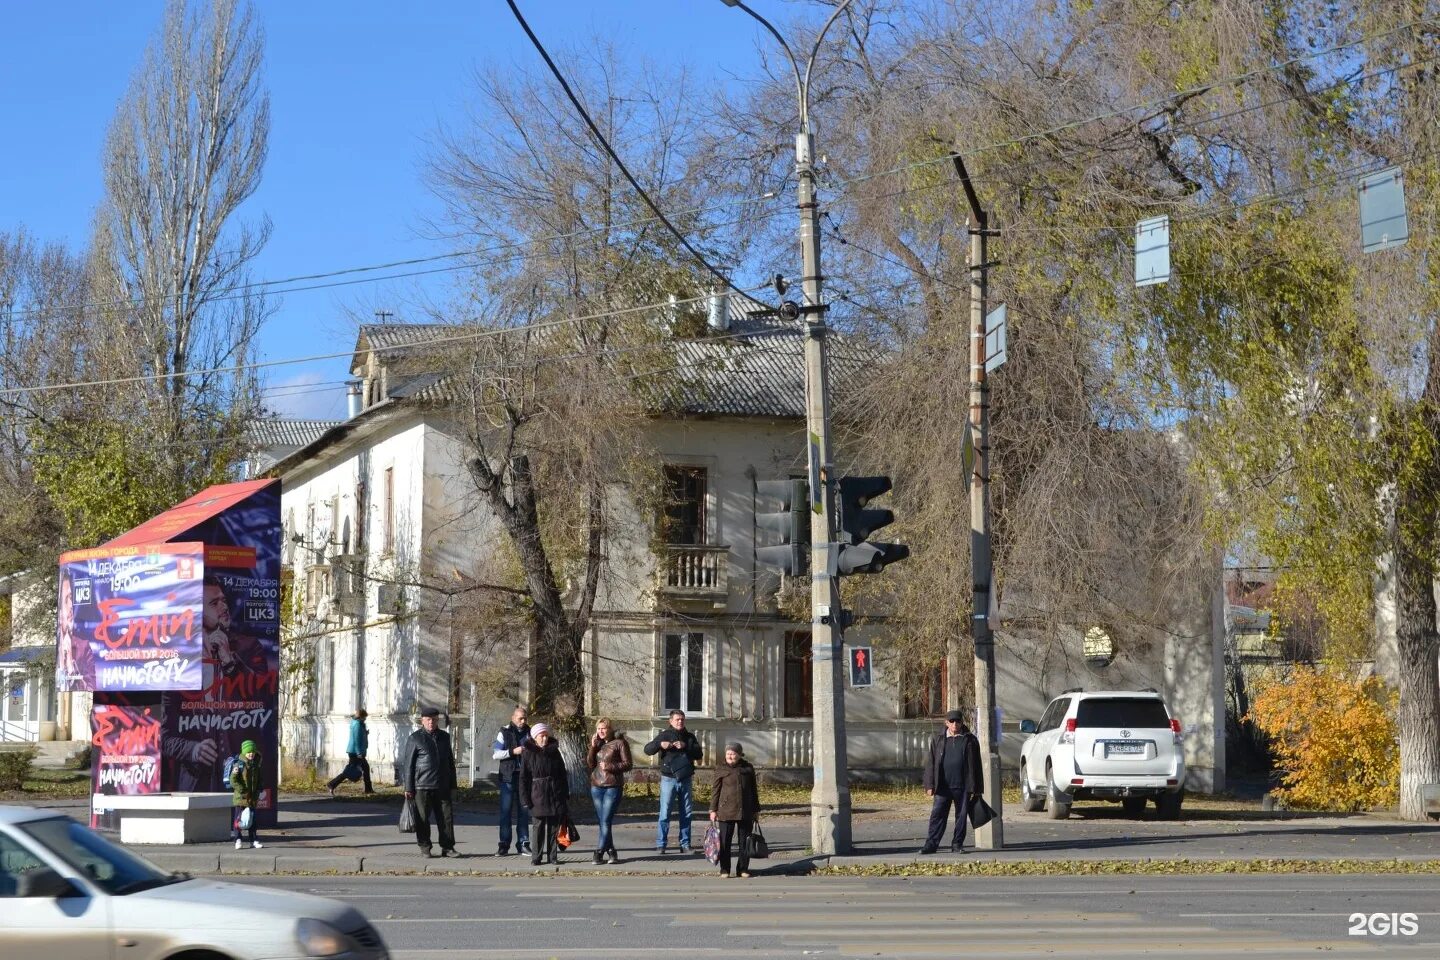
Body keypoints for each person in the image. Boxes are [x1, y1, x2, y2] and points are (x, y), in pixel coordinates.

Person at [920, 709, 984, 854]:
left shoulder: (970, 740)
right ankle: (931, 844)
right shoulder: (939, 739)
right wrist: (929, 784)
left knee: (961, 817)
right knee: (937, 815)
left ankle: (957, 844)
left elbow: (977, 765)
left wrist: (978, 788)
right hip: (943, 786)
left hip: (963, 786)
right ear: (946, 723)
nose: (955, 724)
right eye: (952, 721)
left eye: (958, 721)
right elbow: (931, 763)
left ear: (962, 722)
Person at [401, 707, 459, 859]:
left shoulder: (445, 737)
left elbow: (450, 763)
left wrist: (453, 785)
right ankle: (425, 847)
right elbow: (408, 765)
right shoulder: (415, 738)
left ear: (437, 720)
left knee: (446, 818)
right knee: (422, 818)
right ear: (422, 721)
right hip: (422, 785)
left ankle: (447, 847)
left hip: (442, 785)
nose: (431, 722)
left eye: (433, 719)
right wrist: (408, 787)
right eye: (428, 720)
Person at [644, 709, 703, 854]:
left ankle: (685, 844)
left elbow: (699, 754)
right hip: (668, 779)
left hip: (685, 778)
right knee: (665, 813)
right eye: (677, 719)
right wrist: (660, 745)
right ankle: (661, 844)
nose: (680, 722)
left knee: (687, 813)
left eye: (682, 719)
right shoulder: (664, 735)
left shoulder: (689, 737)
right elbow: (647, 750)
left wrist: (686, 746)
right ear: (670, 721)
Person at [709, 741, 761, 878]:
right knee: (725, 842)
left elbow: (753, 791)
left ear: (739, 754)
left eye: (732, 753)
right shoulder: (721, 768)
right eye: (728, 753)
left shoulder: (748, 768)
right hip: (725, 811)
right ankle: (724, 869)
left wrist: (756, 810)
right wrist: (712, 810)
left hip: (746, 811)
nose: (730, 756)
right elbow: (715, 790)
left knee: (745, 842)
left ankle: (743, 869)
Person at [520, 722, 569, 866]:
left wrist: (565, 793)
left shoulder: (555, 752)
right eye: (542, 736)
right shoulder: (528, 753)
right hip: (537, 793)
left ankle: (552, 857)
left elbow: (562, 774)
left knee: (554, 826)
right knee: (538, 826)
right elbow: (523, 778)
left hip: (554, 792)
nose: (545, 739)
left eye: (546, 735)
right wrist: (525, 799)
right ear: (535, 737)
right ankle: (536, 857)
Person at [585, 717, 632, 864]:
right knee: (602, 821)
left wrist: (610, 767)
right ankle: (611, 851)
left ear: (610, 729)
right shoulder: (597, 744)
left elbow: (628, 764)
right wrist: (592, 747)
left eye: (603, 728)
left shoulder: (620, 743)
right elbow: (591, 764)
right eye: (598, 729)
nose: (601, 731)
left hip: (612, 786)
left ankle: (598, 852)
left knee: (605, 820)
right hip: (596, 786)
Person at [491, 705, 532, 856]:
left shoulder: (530, 732)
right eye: (520, 718)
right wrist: (512, 752)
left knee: (524, 811)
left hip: (525, 777)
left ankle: (523, 843)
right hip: (508, 777)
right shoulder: (505, 732)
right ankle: (504, 844)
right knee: (505, 812)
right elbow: (496, 754)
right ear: (513, 718)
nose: (522, 721)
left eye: (525, 718)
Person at [327, 708, 373, 796]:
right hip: (355, 752)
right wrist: (359, 752)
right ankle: (332, 784)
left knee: (365, 768)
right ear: (361, 716)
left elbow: (360, 737)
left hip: (356, 751)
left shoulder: (359, 724)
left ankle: (368, 789)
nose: (365, 719)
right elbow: (356, 739)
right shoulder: (357, 725)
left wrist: (365, 734)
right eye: (364, 717)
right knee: (349, 771)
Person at [231, 739, 264, 850]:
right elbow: (233, 780)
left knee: (252, 820)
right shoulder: (238, 764)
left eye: (253, 752)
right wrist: (242, 790)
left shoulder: (256, 764)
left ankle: (254, 840)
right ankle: (238, 839)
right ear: (244, 752)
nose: (251, 754)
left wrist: (259, 789)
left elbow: (260, 779)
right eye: (249, 752)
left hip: (252, 798)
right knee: (238, 820)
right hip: (241, 798)